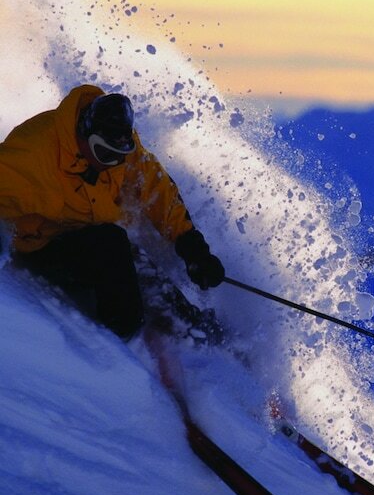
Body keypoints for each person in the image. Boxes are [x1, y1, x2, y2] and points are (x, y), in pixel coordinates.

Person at [0, 84, 225, 339]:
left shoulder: (119, 145)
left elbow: (157, 188)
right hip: (40, 248)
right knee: (112, 244)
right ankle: (123, 337)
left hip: (89, 235)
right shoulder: (34, 156)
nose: (113, 163)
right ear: (85, 134)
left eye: (119, 155)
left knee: (131, 259)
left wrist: (192, 248)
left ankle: (193, 328)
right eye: (105, 154)